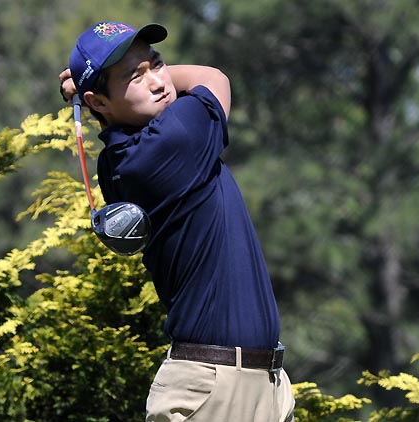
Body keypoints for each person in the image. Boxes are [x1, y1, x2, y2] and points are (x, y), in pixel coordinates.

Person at [59, 21, 295, 421]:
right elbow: (211, 77)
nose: (158, 82)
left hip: (259, 383)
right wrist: (84, 90)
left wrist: (96, 89)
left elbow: (163, 90)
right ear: (98, 103)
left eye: (157, 64)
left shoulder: (119, 160)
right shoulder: (174, 140)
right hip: (213, 388)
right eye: (136, 77)